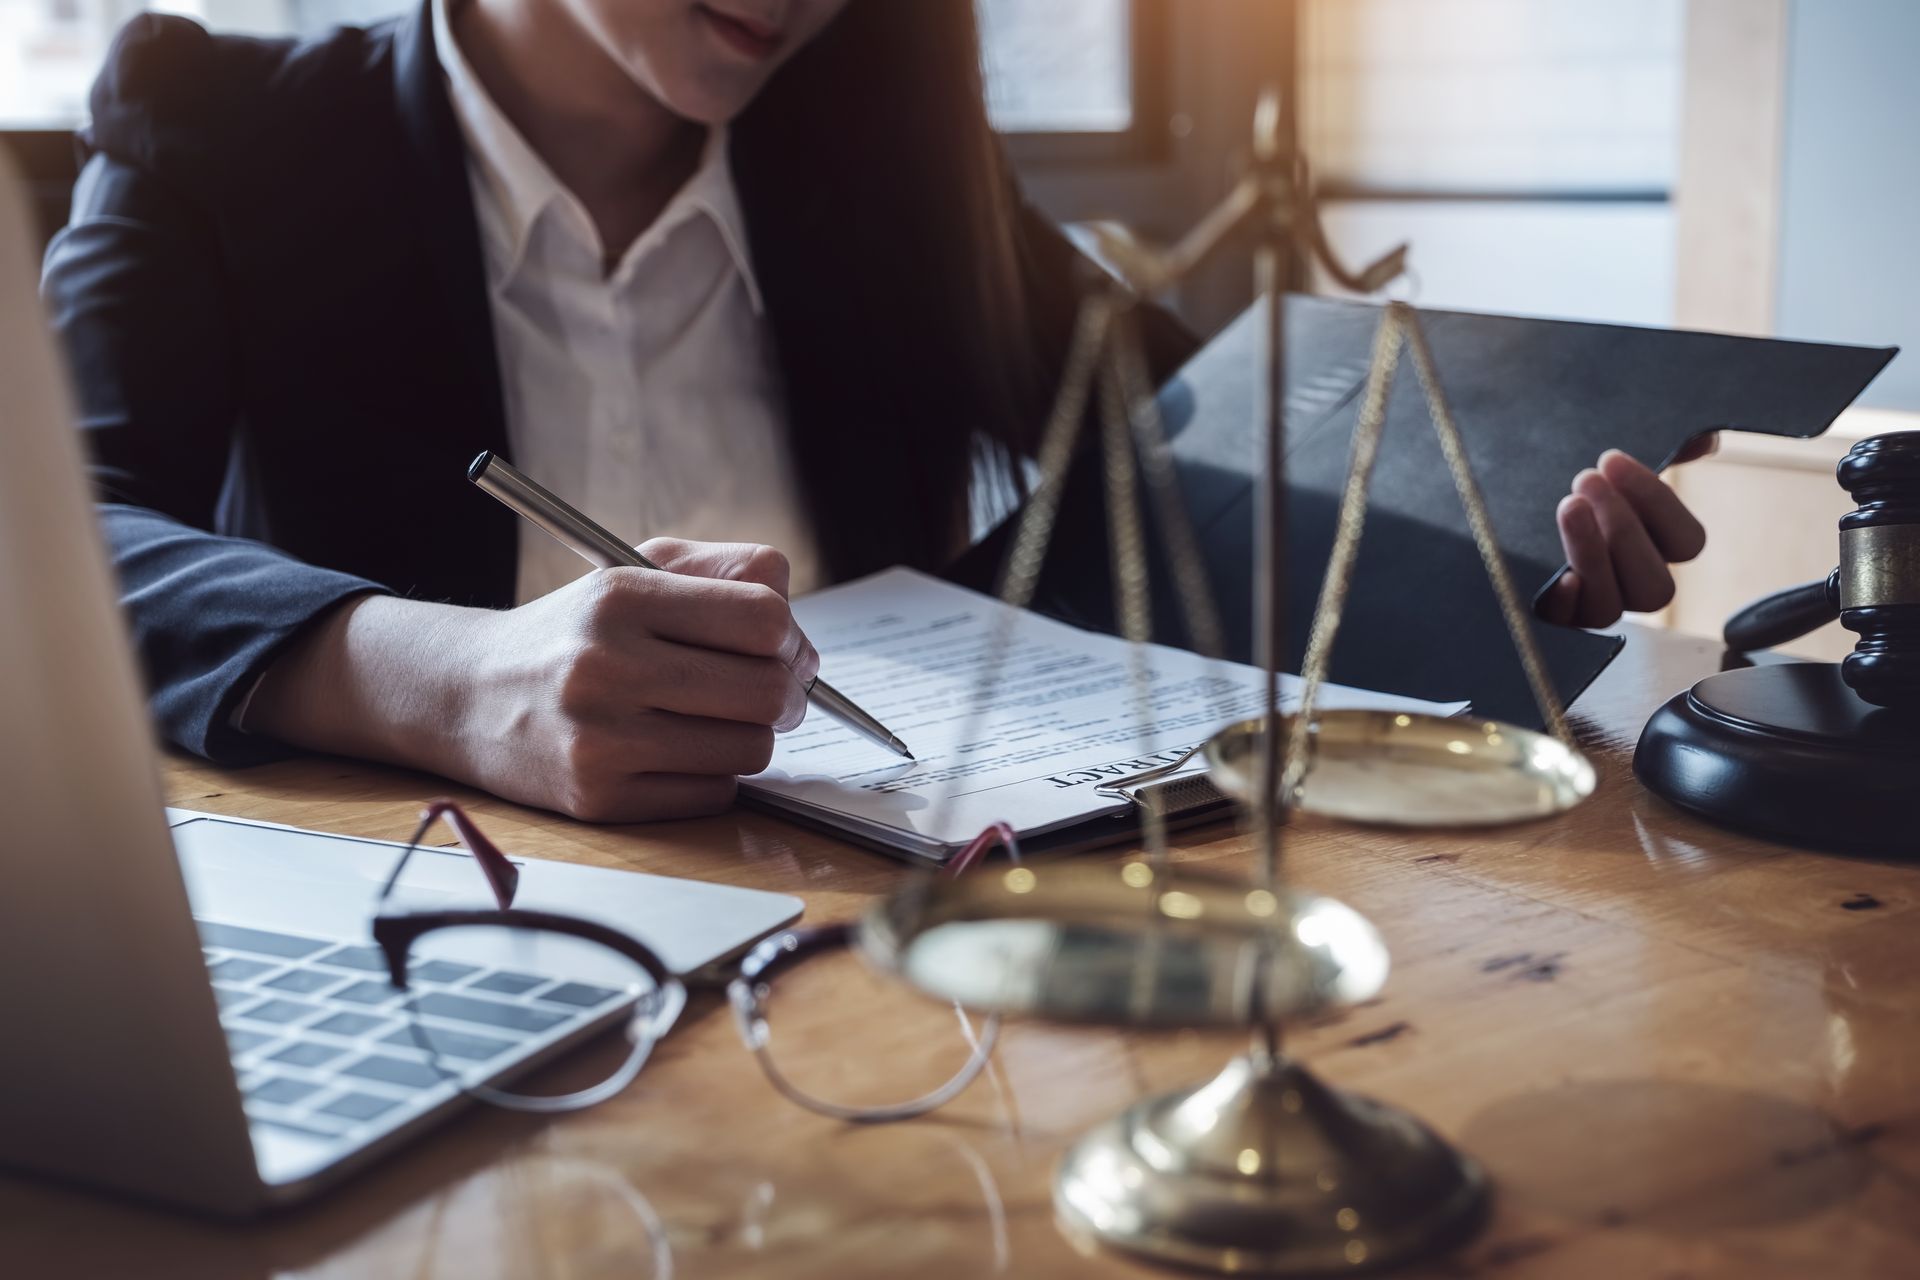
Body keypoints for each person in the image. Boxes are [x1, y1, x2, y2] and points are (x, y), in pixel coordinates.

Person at [45, 0, 1708, 823]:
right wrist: (452, 683)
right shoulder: (223, 136)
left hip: (885, 984)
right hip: (460, 966)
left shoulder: (879, 165)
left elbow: (1194, 459)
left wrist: (1495, 555)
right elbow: (49, 555)